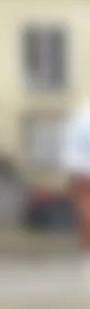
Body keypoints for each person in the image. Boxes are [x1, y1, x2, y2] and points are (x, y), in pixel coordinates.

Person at [66, 103, 90, 247]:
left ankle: (87, 242)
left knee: (83, 206)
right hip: (80, 168)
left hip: (80, 170)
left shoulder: (79, 118)